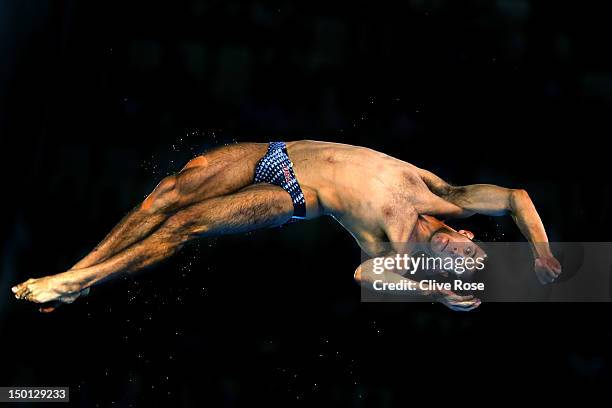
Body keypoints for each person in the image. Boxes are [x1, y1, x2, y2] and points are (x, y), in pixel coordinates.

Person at [12, 140, 561, 312]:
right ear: (467, 236)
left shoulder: (391, 248)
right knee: (167, 193)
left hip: (292, 195)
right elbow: (515, 197)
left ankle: (81, 282)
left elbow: (364, 279)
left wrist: (436, 290)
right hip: (278, 149)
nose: (456, 252)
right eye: (469, 254)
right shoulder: (445, 196)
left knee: (186, 224)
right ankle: (72, 273)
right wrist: (539, 251)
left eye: (456, 267)